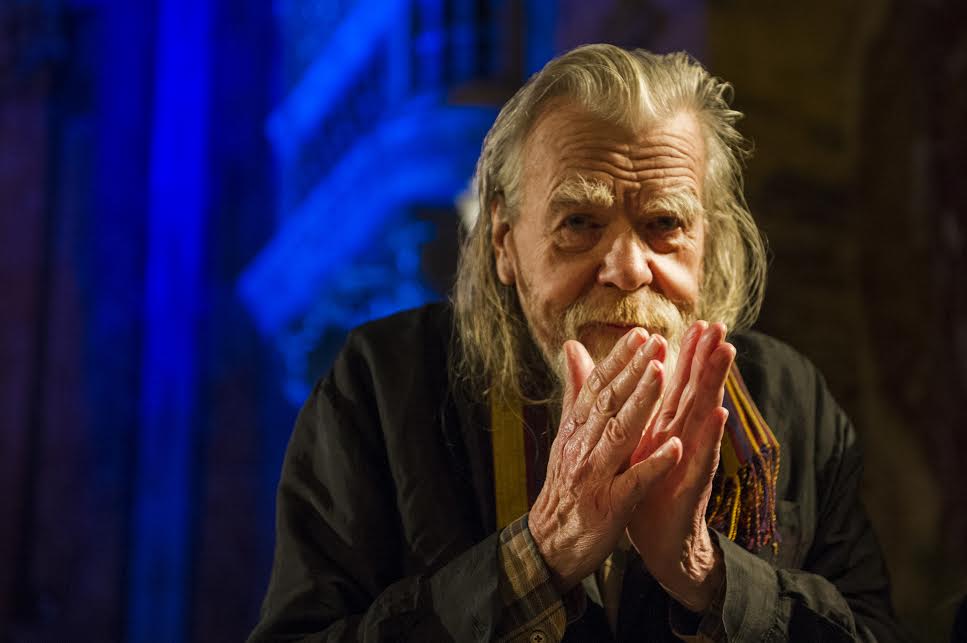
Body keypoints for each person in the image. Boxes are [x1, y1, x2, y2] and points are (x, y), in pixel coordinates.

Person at [249, 44, 907, 642]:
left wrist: (706, 574)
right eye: (580, 222)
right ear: (503, 242)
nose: (628, 267)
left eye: (664, 222)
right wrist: (540, 554)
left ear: (707, 243)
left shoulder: (789, 398)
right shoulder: (381, 386)